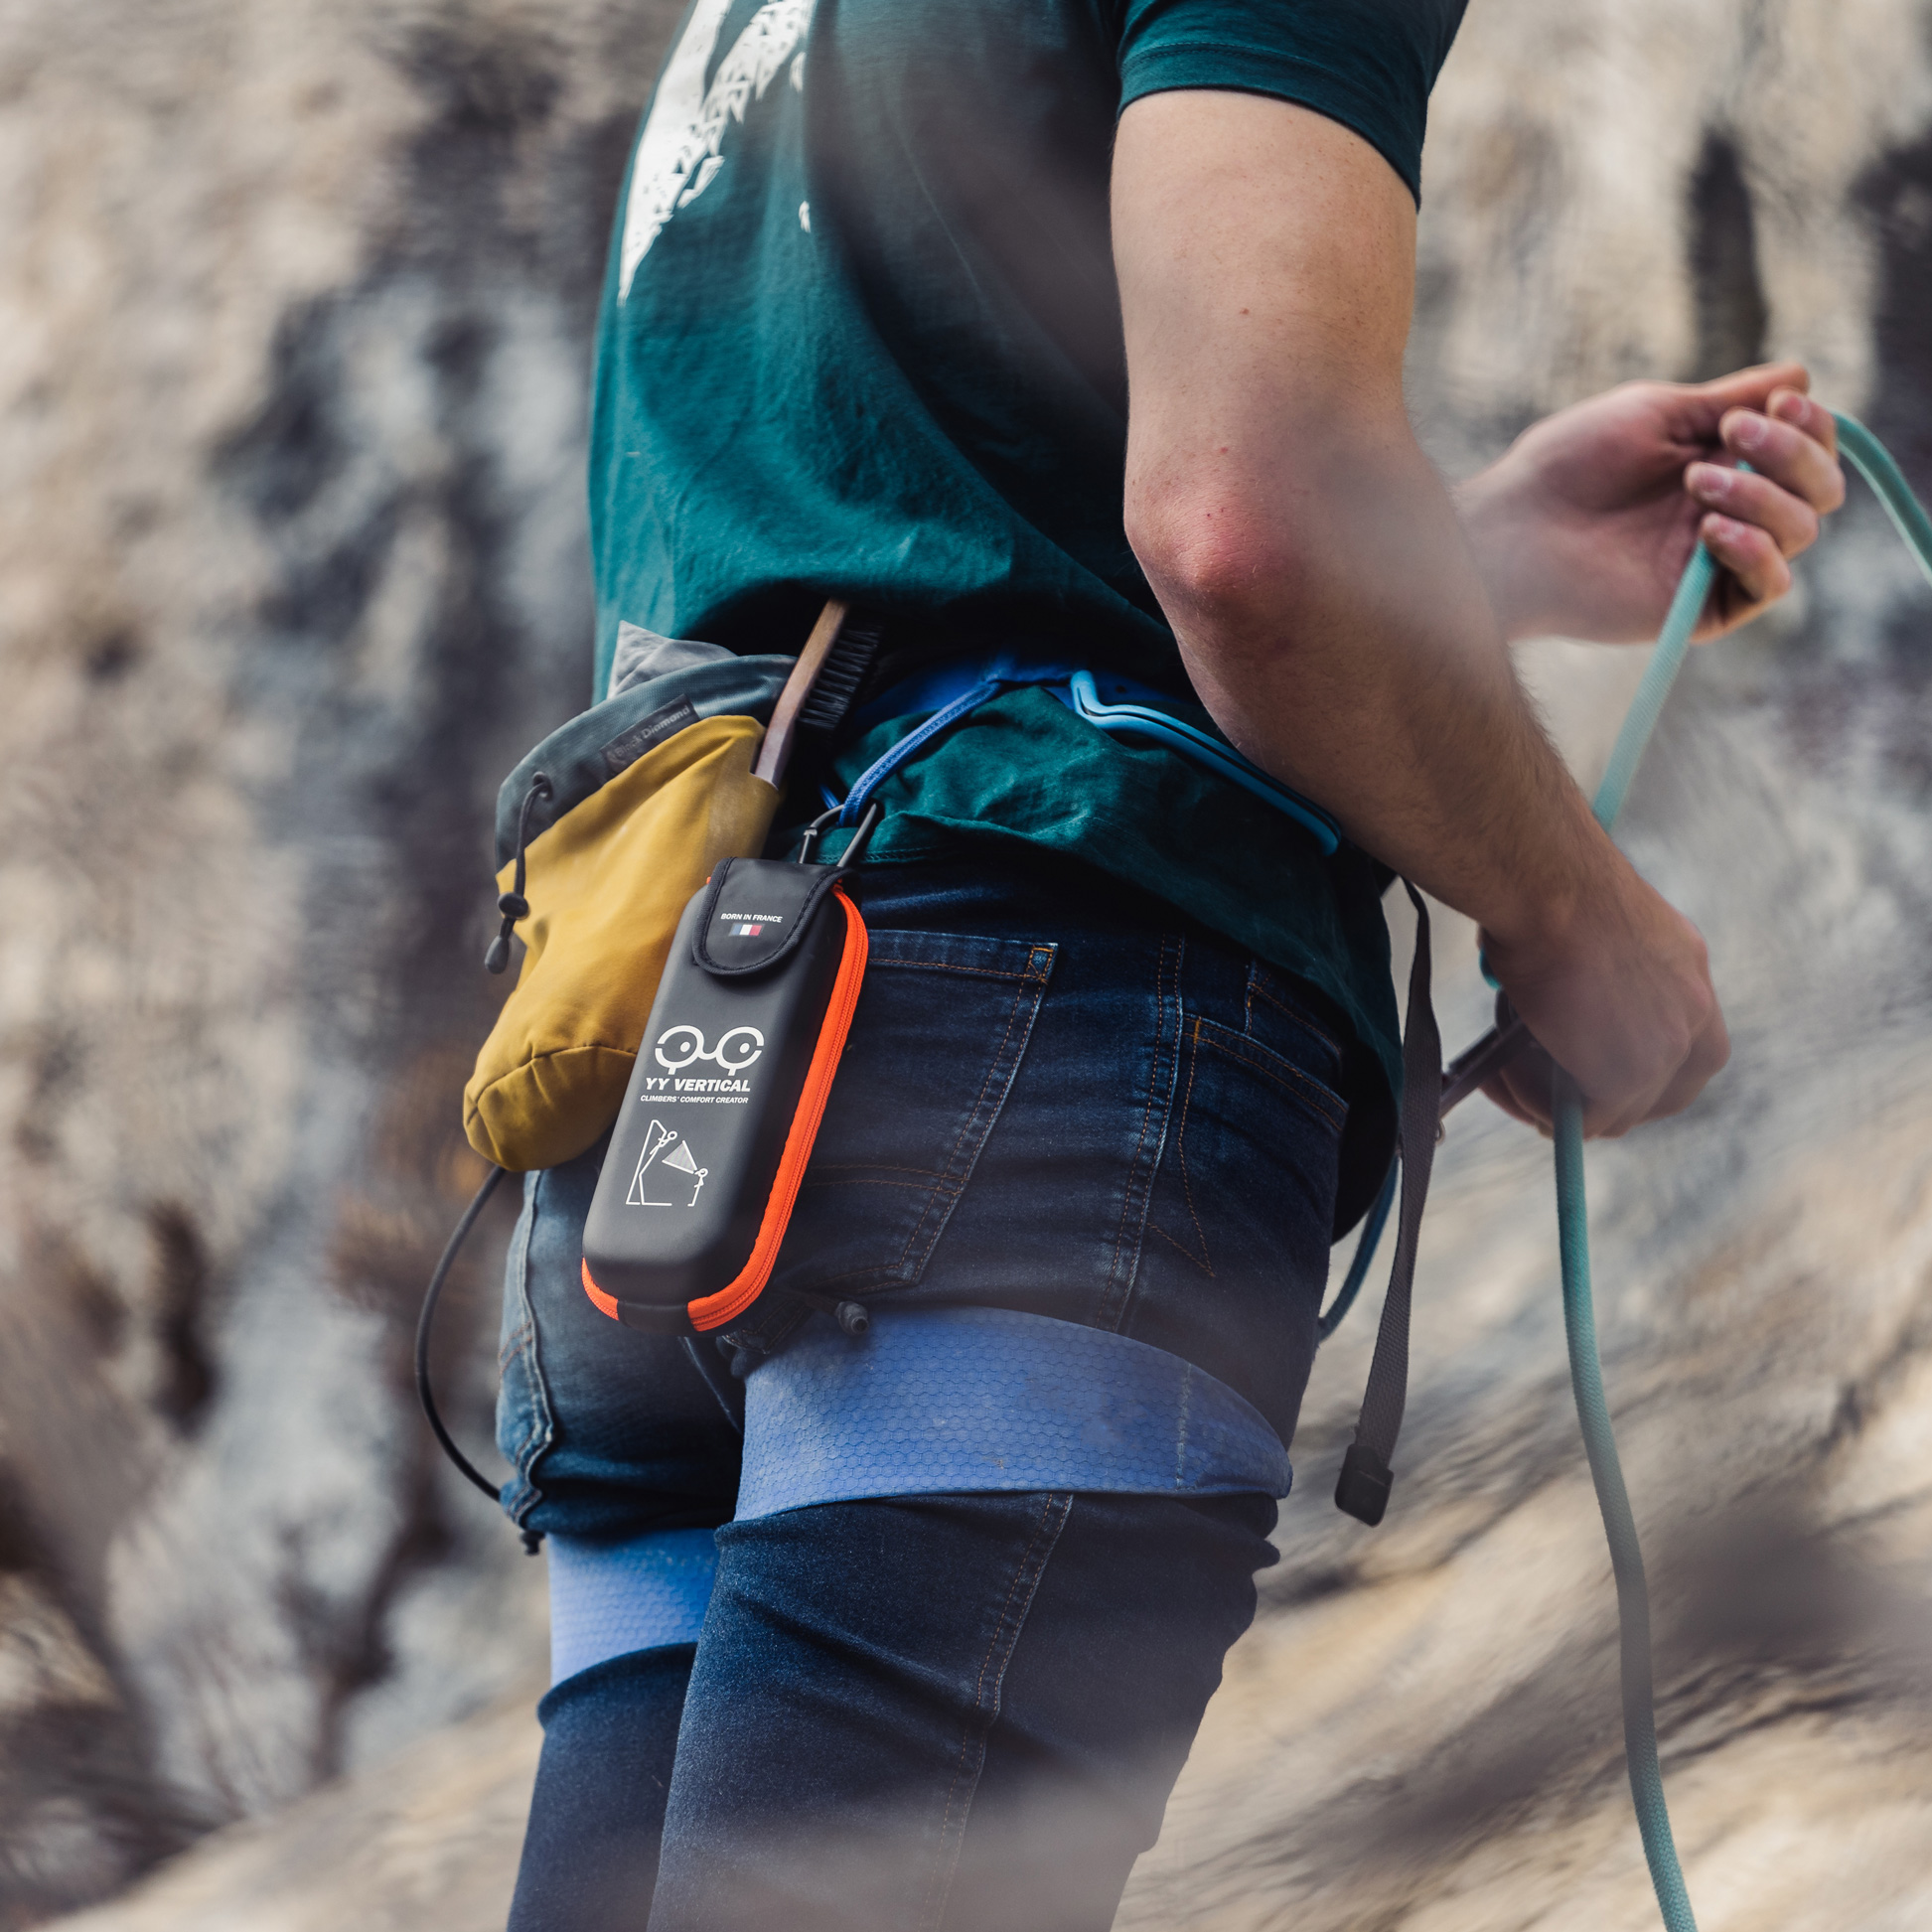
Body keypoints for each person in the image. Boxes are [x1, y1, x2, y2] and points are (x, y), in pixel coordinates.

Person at [492, 2, 1846, 1926]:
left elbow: (905, 540)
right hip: (1019, 1093)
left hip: (673, 1079)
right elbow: (1247, 529)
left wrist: (1453, 562)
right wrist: (1576, 922)